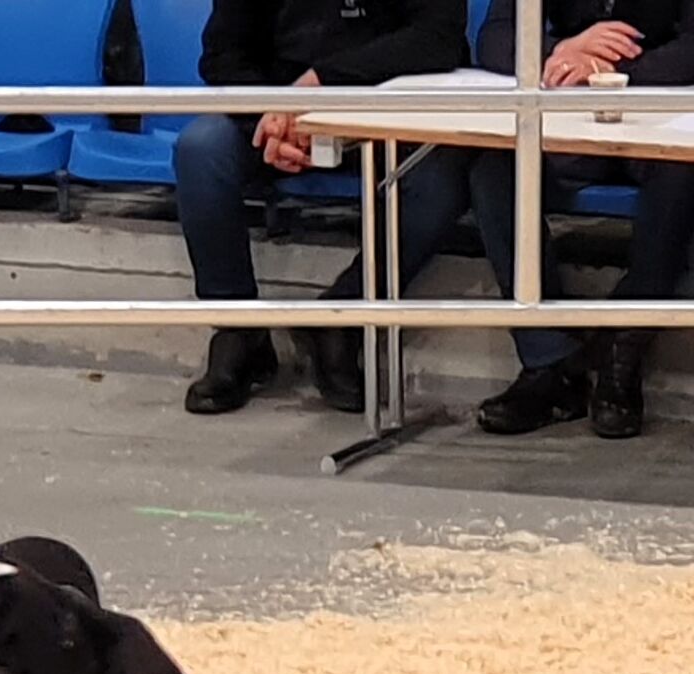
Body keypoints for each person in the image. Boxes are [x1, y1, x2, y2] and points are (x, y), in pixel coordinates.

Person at [176, 0, 473, 414]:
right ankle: (239, 328)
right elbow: (222, 55)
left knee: (445, 177)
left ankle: (343, 316)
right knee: (200, 150)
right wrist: (271, 117)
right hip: (282, 116)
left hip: (392, 110)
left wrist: (321, 83)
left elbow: (437, 40)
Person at [469, 0, 694, 436]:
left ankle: (622, 344)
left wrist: (606, 73)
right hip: (566, 103)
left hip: (660, 106)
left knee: (683, 172)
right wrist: (558, 52)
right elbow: (494, 37)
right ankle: (548, 360)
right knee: (492, 167)